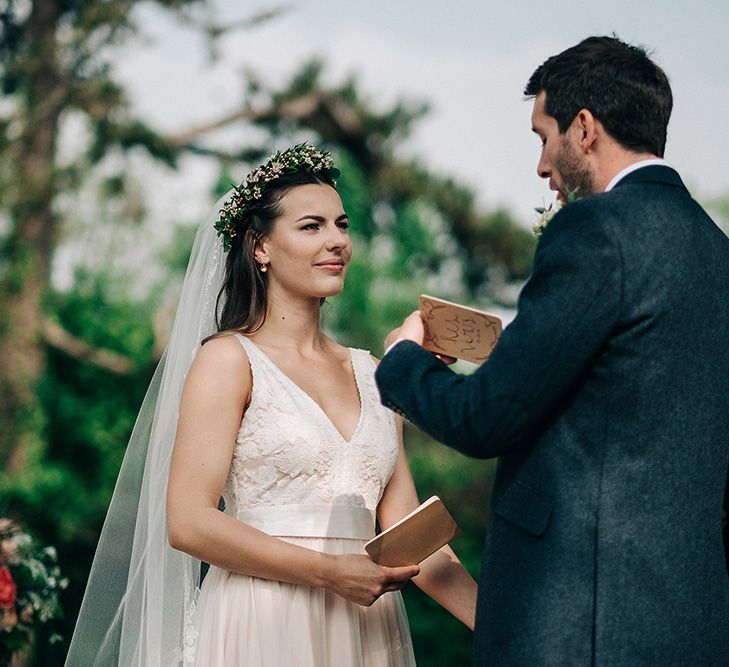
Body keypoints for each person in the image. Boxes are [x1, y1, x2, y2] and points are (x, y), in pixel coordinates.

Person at [375, 36, 729, 665]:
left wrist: (403, 358)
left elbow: (485, 419)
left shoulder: (595, 229)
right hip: (687, 621)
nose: (542, 166)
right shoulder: (714, 249)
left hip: (578, 622)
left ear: (584, 129)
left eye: (544, 136)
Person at [65, 143, 476, 667]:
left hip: (364, 632)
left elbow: (410, 537)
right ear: (260, 247)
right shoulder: (228, 360)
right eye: (311, 226)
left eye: (342, 225)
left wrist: (502, 625)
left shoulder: (375, 371)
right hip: (262, 623)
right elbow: (188, 522)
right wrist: (330, 572)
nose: (336, 242)